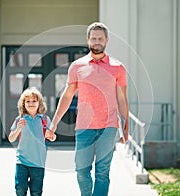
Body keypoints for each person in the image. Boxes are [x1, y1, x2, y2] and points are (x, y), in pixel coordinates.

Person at [46, 22, 129, 196]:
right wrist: (53, 124)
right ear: (88, 40)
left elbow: (121, 97)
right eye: (93, 38)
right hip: (84, 126)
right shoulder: (77, 66)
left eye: (100, 38)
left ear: (106, 40)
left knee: (102, 172)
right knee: (82, 171)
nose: (97, 42)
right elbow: (67, 96)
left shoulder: (118, 67)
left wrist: (126, 123)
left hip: (109, 126)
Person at [9, 87, 56, 196]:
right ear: (23, 104)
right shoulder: (19, 119)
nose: (31, 103)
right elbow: (11, 138)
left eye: (34, 101)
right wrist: (18, 130)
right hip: (21, 161)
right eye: (28, 101)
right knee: (20, 189)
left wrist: (51, 136)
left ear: (39, 103)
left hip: (38, 162)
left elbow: (52, 137)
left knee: (36, 192)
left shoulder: (44, 119)